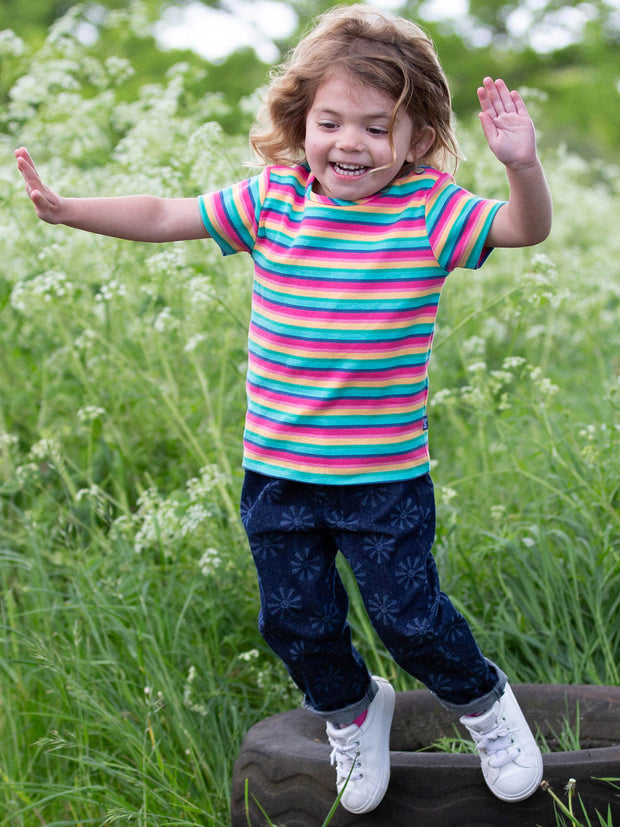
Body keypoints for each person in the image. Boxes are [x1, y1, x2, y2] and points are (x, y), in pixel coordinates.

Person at [16, 4, 552, 816]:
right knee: (294, 621)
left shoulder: (430, 211)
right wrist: (70, 209)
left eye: (378, 128)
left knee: (410, 618)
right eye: (331, 121)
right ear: (301, 122)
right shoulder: (274, 201)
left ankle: (484, 704)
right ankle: (352, 711)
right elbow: (168, 215)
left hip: (384, 480)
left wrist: (522, 165)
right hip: (277, 475)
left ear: (415, 139)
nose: (351, 143)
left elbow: (524, 228)